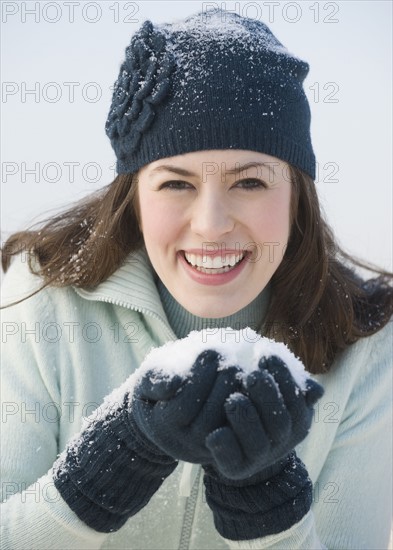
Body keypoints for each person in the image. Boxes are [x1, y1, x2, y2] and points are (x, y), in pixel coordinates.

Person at [1, 8, 392, 550]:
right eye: (176, 184)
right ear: (133, 194)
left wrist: (271, 518)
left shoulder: (366, 344)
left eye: (250, 182)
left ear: (297, 193)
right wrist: (103, 471)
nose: (210, 225)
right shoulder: (41, 302)